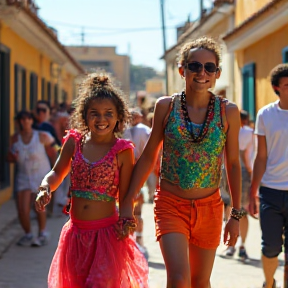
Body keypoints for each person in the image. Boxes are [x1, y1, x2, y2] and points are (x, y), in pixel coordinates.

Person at [121, 36, 243, 288]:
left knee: (200, 281)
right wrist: (128, 201)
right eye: (194, 66)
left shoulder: (228, 111)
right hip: (170, 204)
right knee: (178, 280)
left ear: (217, 73)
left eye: (209, 67)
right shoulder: (166, 106)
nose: (202, 72)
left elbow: (232, 164)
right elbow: (149, 155)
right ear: (182, 69)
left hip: (210, 208)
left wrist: (236, 215)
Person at [35, 72, 148, 288]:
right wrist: (45, 187)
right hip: (75, 236)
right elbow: (57, 172)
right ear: (84, 115)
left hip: (107, 238)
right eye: (94, 113)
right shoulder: (74, 142)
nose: (101, 119)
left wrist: (127, 219)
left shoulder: (122, 151)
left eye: (108, 113)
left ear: (119, 117)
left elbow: (126, 196)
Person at [249, 64, 288, 288]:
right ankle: (269, 282)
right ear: (277, 88)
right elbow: (260, 156)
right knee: (271, 247)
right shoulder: (266, 114)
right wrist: (252, 191)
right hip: (271, 192)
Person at [7, 110, 58, 247]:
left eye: (27, 119)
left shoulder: (42, 136)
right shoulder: (15, 138)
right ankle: (28, 234)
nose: (25, 122)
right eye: (22, 120)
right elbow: (9, 157)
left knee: (39, 207)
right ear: (18, 122)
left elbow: (53, 153)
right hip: (24, 176)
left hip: (41, 175)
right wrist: (12, 156)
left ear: (31, 121)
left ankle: (42, 233)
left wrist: (56, 173)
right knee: (22, 209)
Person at [225, 110, 255, 262]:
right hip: (244, 172)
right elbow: (249, 157)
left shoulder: (227, 129)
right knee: (242, 211)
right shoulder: (250, 133)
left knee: (230, 207)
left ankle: (231, 244)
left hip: (227, 170)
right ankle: (242, 245)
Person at [122, 107, 151, 257]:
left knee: (135, 208)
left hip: (130, 173)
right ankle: (135, 240)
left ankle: (136, 240)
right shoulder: (143, 130)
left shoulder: (138, 130)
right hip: (135, 173)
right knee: (134, 208)